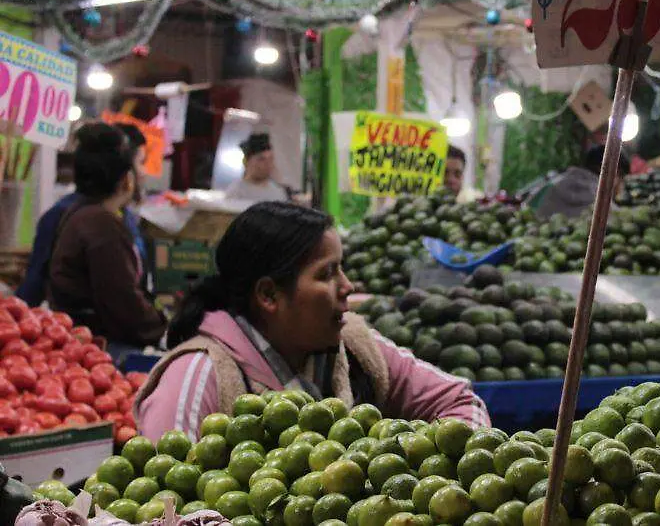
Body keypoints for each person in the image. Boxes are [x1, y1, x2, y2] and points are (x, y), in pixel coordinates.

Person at [134, 202, 489, 440]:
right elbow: (157, 505)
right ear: (269, 295)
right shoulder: (198, 378)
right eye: (328, 273)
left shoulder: (355, 347)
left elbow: (461, 402)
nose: (348, 286)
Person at [47, 123, 166, 355]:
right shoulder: (101, 225)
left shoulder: (81, 214)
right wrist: (164, 327)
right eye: (139, 165)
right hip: (100, 348)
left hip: (83, 342)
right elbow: (124, 303)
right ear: (126, 180)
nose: (143, 173)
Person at [19, 124, 148, 304]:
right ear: (126, 175)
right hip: (79, 329)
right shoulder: (62, 215)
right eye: (141, 162)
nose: (144, 172)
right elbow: (33, 288)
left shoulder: (125, 217)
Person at [531, 146, 630, 220]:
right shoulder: (597, 194)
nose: (620, 184)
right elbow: (619, 220)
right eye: (620, 177)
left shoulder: (557, 182)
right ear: (612, 170)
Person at [225, 133, 289, 203]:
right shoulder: (236, 192)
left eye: (270, 159)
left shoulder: (278, 192)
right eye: (261, 159)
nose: (268, 164)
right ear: (247, 162)